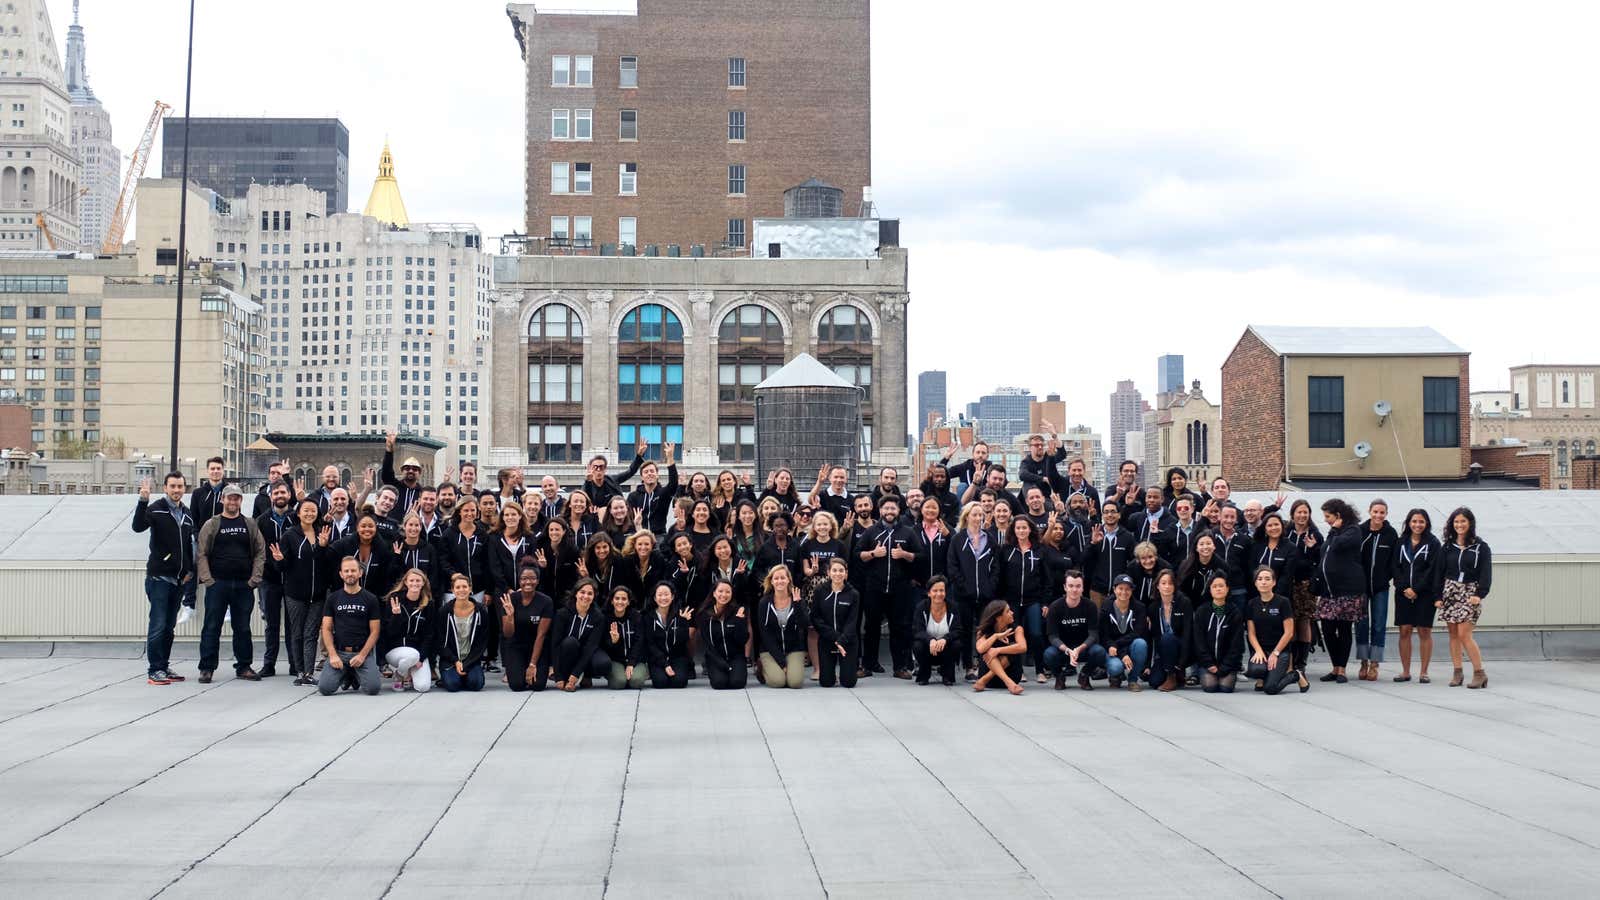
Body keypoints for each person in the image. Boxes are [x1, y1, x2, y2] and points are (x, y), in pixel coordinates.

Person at [195, 484, 267, 683]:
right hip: (218, 585)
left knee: (242, 627)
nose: (232, 502)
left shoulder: (250, 524)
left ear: (240, 501)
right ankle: (207, 668)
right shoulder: (212, 524)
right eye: (229, 498)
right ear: (222, 500)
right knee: (211, 626)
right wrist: (208, 580)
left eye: (236, 498)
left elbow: (261, 552)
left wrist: (254, 580)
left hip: (243, 586)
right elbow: (201, 553)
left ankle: (244, 666)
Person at [132, 472, 197, 686]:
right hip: (159, 578)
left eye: (180, 486)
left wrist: (189, 570)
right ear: (166, 488)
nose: (177, 490)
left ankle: (164, 665)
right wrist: (143, 500)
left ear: (184, 489)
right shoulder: (157, 508)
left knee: (169, 627)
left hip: (178, 580)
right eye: (173, 486)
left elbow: (189, 545)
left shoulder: (187, 514)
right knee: (158, 625)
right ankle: (154, 669)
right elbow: (138, 526)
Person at [999, 516, 1059, 682]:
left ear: (1030, 529)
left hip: (1033, 600)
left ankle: (1040, 670)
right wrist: (1003, 603)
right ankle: (1019, 671)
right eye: (1018, 528)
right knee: (1013, 636)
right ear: (1013, 530)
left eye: (1024, 528)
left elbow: (1047, 579)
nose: (1021, 531)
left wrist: (1045, 602)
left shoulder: (1039, 550)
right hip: (1011, 601)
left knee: (1036, 634)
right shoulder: (1006, 550)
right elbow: (1001, 577)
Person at [946, 501, 999, 682]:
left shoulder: (989, 539)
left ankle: (983, 664)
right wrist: (963, 587)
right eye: (974, 515)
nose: (978, 518)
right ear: (967, 516)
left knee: (984, 630)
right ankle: (968, 666)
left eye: (980, 515)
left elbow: (996, 567)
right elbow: (952, 567)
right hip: (964, 595)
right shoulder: (958, 539)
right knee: (966, 630)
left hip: (985, 595)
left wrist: (990, 587)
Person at [1439, 507, 1491, 689]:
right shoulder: (1446, 547)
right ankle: (1457, 672)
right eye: (1456, 522)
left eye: (1463, 521)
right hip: (1450, 591)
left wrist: (1480, 594)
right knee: (1453, 634)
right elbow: (1439, 572)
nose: (1459, 525)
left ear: (1470, 524)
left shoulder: (1481, 547)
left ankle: (1479, 673)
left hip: (1470, 592)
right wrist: (1438, 596)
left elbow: (1486, 572)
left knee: (1464, 634)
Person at [1315, 498, 1367, 684]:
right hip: (1329, 591)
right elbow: (1326, 550)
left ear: (1338, 515)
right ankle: (1334, 665)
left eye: (1328, 516)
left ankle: (1342, 669)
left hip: (1347, 590)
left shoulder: (1353, 530)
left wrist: (1335, 529)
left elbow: (1337, 545)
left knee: (1343, 629)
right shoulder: (1332, 532)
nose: (1326, 520)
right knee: (1328, 629)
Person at [318, 556, 383, 696]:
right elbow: (326, 629)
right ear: (341, 574)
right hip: (339, 653)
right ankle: (348, 673)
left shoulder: (370, 599)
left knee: (373, 689)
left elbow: (375, 631)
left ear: (360, 573)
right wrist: (333, 655)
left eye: (353, 570)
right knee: (325, 688)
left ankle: (353, 673)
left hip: (362, 652)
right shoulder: (333, 598)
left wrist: (362, 655)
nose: (350, 574)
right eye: (346, 571)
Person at [1392, 508, 1441, 683]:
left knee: (1424, 630)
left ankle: (1424, 672)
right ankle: (1405, 671)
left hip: (1425, 593)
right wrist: (1405, 587)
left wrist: (1417, 589)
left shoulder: (1433, 543)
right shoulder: (1401, 542)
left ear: (1426, 523)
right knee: (1404, 630)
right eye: (1414, 521)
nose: (1417, 525)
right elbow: (1395, 566)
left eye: (1421, 521)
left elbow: (1432, 569)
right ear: (1408, 523)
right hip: (1403, 593)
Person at [1356, 499, 1399, 682]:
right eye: (1375, 512)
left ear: (1386, 514)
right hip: (1361, 587)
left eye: (1382, 512)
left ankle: (1375, 663)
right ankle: (1363, 662)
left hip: (1381, 587)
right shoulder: (1360, 531)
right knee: (1362, 625)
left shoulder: (1390, 534)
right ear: (1369, 511)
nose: (1378, 515)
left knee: (1379, 625)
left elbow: (1394, 561)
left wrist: (1386, 577)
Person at [255, 481, 294, 677]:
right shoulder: (261, 521)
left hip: (292, 580)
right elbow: (256, 550)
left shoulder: (297, 518)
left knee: (292, 625)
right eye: (276, 492)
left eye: (283, 492)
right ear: (271, 496)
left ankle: (295, 664)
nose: (280, 495)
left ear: (289, 494)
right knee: (272, 624)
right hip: (269, 579)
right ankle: (269, 664)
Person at [1243, 566, 1302, 694]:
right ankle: (1265, 676)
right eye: (1260, 579)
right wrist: (1258, 651)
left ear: (1274, 582)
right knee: (1255, 671)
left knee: (1270, 689)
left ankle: (1295, 675)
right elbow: (1251, 633)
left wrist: (1275, 653)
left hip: (1280, 651)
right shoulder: (1251, 604)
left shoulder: (1283, 602)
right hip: (1262, 650)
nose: (1263, 582)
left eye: (1267, 579)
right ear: (1255, 583)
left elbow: (1289, 632)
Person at [499, 565, 554, 692]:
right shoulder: (509, 600)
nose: (528, 582)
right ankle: (518, 669)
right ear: (519, 581)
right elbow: (508, 634)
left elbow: (541, 635)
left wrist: (532, 664)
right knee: (517, 685)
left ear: (538, 581)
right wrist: (510, 616)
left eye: (532, 578)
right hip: (516, 646)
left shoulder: (546, 602)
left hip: (537, 647)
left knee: (538, 685)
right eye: (524, 579)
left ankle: (531, 667)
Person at [381, 568, 437, 692]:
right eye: (411, 580)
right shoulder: (394, 599)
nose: (415, 583)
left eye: (418, 580)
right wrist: (396, 616)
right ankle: (400, 675)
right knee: (412, 655)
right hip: (395, 651)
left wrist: (421, 658)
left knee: (423, 687)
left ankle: (407, 672)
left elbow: (429, 635)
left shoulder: (429, 604)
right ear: (406, 582)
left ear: (423, 583)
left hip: (417, 653)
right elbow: (389, 632)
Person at [1284, 499, 1322, 682]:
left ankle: (1301, 664)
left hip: (1306, 584)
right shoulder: (1286, 532)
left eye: (1305, 512)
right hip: (1287, 583)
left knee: (1304, 621)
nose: (1302, 515)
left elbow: (1321, 558)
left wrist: (1313, 548)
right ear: (1292, 514)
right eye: (1299, 512)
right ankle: (1289, 662)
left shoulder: (1314, 534)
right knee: (1290, 622)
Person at [1043, 570, 1099, 691]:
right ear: (1065, 587)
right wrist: (1068, 650)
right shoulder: (1055, 607)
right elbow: (1052, 636)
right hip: (1063, 649)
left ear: (1083, 588)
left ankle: (1084, 675)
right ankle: (1059, 676)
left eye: (1078, 586)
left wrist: (1079, 649)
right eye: (1071, 586)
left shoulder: (1090, 606)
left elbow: (1093, 634)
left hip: (1083, 648)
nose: (1074, 590)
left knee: (1099, 652)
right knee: (1049, 654)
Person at [553, 578, 609, 691]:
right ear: (576, 594)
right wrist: (558, 675)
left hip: (586, 653)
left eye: (590, 593)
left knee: (604, 663)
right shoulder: (562, 614)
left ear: (594, 596)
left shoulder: (598, 617)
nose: (586, 596)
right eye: (582, 592)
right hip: (568, 652)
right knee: (570, 642)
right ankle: (566, 676)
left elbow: (591, 647)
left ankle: (585, 675)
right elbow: (555, 645)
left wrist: (576, 674)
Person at [812, 557, 861, 688]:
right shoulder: (819, 591)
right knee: (826, 682)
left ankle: (846, 673)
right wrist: (835, 638)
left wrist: (842, 640)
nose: (838, 574)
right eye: (834, 570)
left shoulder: (853, 594)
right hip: (827, 641)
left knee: (848, 683)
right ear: (828, 572)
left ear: (846, 573)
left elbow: (852, 622)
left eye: (841, 570)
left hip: (847, 642)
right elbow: (816, 618)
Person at [757, 565, 808, 689]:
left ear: (788, 580)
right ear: (771, 581)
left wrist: (797, 605)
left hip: (794, 648)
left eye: (783, 578)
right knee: (778, 682)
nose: (780, 581)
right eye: (776, 578)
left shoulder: (797, 598)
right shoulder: (764, 602)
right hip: (770, 650)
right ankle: (762, 668)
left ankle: (788, 669)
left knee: (795, 683)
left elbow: (804, 624)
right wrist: (781, 662)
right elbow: (765, 634)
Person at [1193, 574, 1244, 693]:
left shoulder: (1235, 612)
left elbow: (1237, 645)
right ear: (1210, 590)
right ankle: (1208, 672)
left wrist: (1225, 666)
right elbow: (1198, 641)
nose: (1218, 589)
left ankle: (1227, 673)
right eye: (1214, 586)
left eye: (1221, 586)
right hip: (1208, 663)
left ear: (1227, 589)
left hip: (1228, 663)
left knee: (1226, 688)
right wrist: (1209, 663)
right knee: (1210, 687)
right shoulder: (1202, 611)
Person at [438, 573, 488, 692]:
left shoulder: (480, 611)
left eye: (465, 587)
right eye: (458, 587)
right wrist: (455, 661)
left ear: (470, 589)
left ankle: (466, 676)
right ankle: (450, 677)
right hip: (450, 659)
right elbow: (440, 641)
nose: (462, 590)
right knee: (453, 686)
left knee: (476, 684)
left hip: (472, 659)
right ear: (453, 590)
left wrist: (467, 663)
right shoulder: (444, 611)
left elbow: (482, 642)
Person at [1144, 569, 1192, 691]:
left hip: (1182, 649)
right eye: (1163, 583)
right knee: (1154, 682)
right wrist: (1147, 664)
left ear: (1175, 586)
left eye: (1170, 583)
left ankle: (1172, 675)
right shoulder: (1153, 607)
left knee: (1167, 637)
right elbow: (1149, 638)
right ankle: (1177, 677)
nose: (1167, 586)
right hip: (1164, 651)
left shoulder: (1184, 603)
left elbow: (1188, 634)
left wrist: (1181, 664)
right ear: (1157, 586)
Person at [1099, 575, 1148, 691]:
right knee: (1116, 667)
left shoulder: (1139, 608)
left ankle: (1133, 680)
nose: (1124, 592)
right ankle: (1115, 676)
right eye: (1120, 588)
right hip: (1111, 648)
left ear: (1132, 591)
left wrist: (1121, 650)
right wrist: (1120, 652)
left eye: (1127, 589)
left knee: (1141, 644)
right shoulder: (1106, 607)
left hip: (1127, 645)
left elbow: (1137, 633)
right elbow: (1103, 635)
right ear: (1114, 589)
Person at [700, 581, 750, 689]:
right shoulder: (705, 614)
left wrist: (739, 622)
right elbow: (707, 645)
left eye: (728, 592)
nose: (724, 595)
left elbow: (742, 640)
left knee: (737, 683)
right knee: (719, 683)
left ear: (732, 594)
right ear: (714, 593)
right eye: (720, 591)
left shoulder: (738, 611)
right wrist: (722, 664)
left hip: (736, 657)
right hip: (715, 658)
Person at [1084, 501, 1134, 606]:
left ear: (1119, 515)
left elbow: (1134, 561)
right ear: (1102, 515)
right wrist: (1093, 543)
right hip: (1097, 590)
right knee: (1098, 620)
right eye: (1106, 512)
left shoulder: (1127, 537)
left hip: (1120, 590)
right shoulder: (1095, 533)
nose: (1109, 515)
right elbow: (1084, 559)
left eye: (1113, 512)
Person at [911, 575, 960, 685]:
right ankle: (924, 675)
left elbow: (958, 630)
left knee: (956, 644)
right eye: (935, 591)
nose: (939, 594)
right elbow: (917, 631)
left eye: (942, 590)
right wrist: (931, 640)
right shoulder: (921, 607)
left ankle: (947, 675)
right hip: (928, 649)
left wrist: (945, 639)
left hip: (945, 649)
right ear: (929, 593)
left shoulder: (953, 607)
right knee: (917, 645)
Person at [645, 582, 694, 689]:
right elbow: (650, 645)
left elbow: (683, 640)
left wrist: (683, 622)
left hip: (677, 657)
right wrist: (665, 664)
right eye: (660, 595)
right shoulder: (648, 617)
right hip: (657, 659)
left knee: (679, 682)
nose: (663, 598)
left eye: (666, 594)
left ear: (672, 597)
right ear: (654, 598)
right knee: (660, 682)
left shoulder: (680, 614)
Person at [973, 600, 1026, 695]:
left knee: (1012, 649)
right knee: (987, 651)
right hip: (992, 681)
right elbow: (980, 648)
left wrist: (998, 650)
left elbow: (1023, 647)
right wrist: (996, 636)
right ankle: (1008, 683)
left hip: (1012, 675)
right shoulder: (983, 631)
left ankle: (984, 680)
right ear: (998, 617)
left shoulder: (1017, 629)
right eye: (1008, 611)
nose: (1012, 613)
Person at [627, 443, 678, 536]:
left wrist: (670, 458)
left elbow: (673, 483)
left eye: (652, 471)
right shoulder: (633, 496)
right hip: (639, 534)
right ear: (642, 477)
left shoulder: (663, 493)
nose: (649, 474)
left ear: (657, 475)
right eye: (646, 472)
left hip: (659, 536)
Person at [379, 429, 426, 511]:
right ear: (402, 471)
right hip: (394, 523)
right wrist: (389, 451)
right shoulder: (394, 486)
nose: (411, 471)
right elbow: (386, 472)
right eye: (407, 468)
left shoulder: (423, 492)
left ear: (419, 472)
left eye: (415, 469)